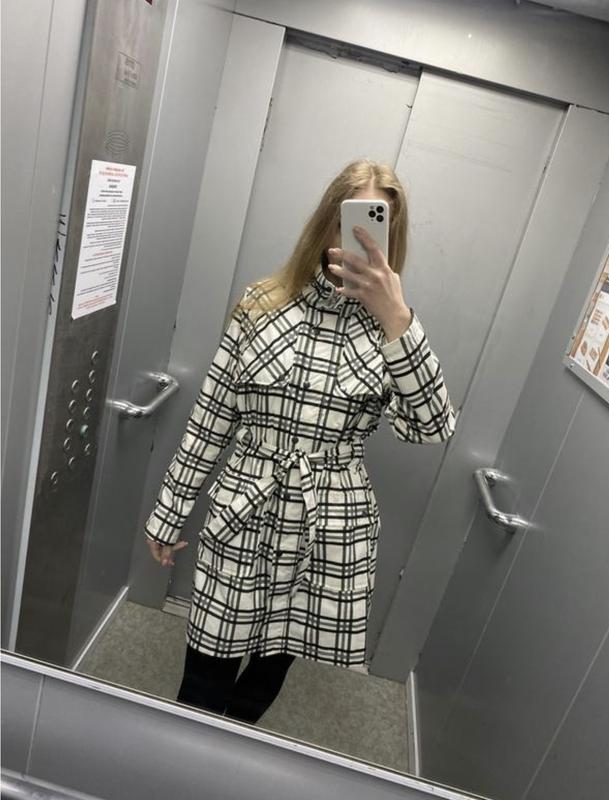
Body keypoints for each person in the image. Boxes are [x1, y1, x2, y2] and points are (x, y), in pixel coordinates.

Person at [143, 158, 456, 725]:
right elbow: (212, 416)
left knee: (269, 670)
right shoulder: (261, 303)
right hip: (245, 509)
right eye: (350, 219)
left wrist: (396, 316)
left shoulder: (393, 329)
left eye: (376, 223)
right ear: (327, 221)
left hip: (329, 526)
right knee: (206, 666)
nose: (359, 237)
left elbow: (433, 427)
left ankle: (237, 741)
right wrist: (169, 514)